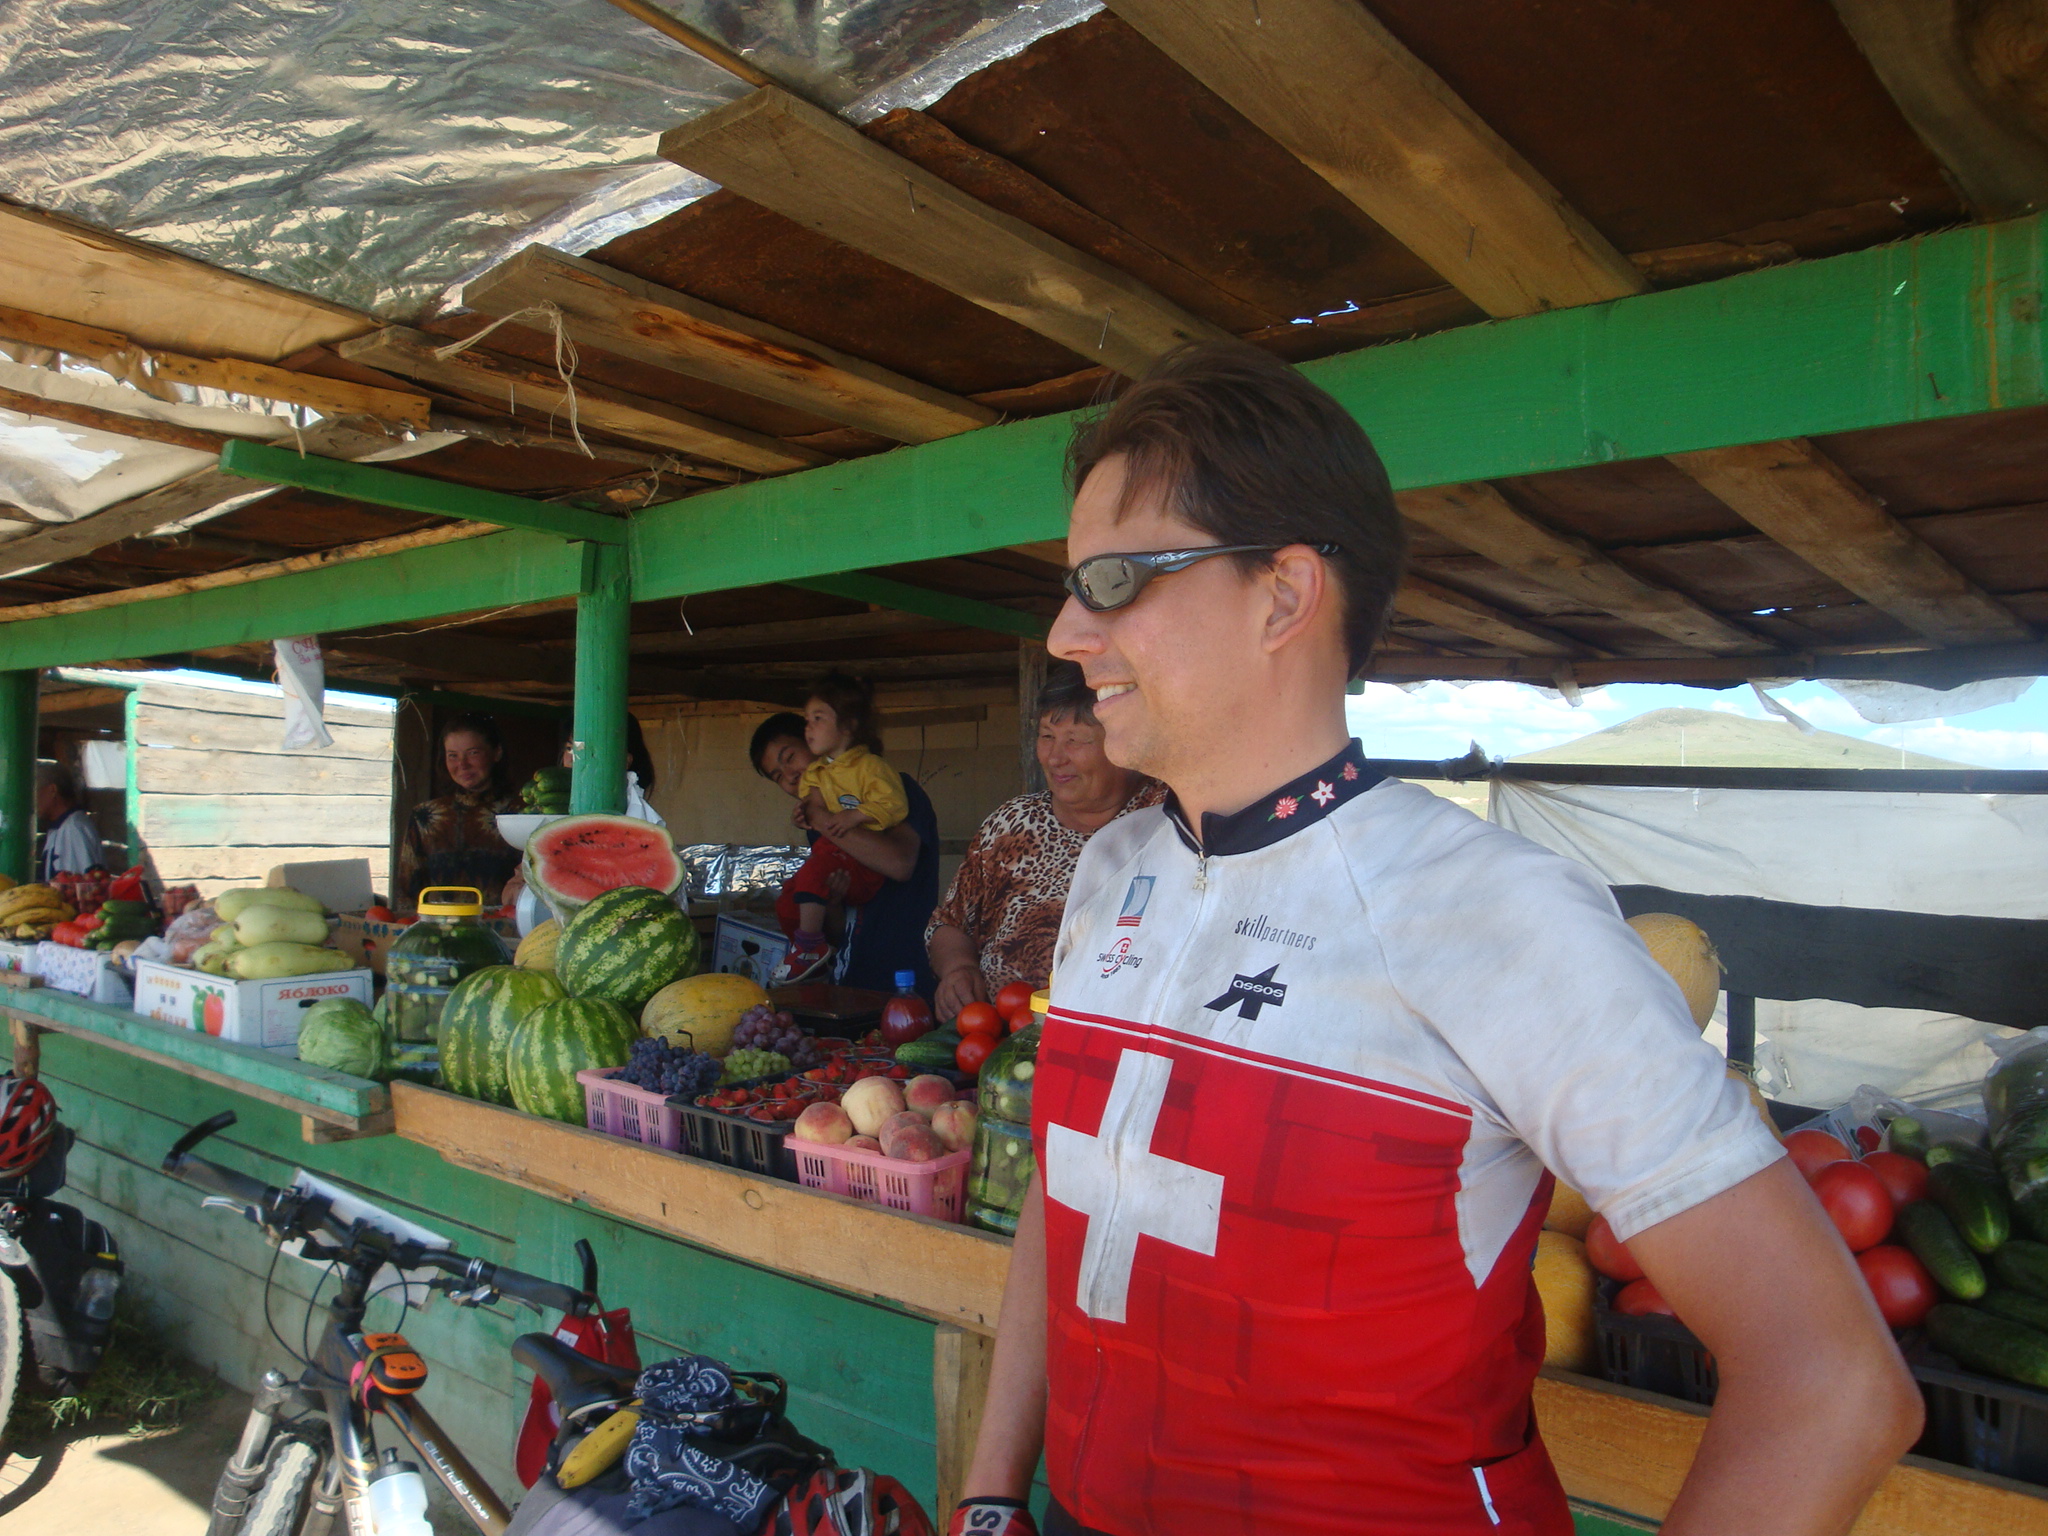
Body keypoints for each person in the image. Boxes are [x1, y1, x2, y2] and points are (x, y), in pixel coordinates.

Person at [954, 343, 1921, 1536]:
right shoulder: (1111, 873)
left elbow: (1830, 1383)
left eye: (1111, 581)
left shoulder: (1497, 913)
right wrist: (991, 1493)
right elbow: (1074, 1189)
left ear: (1282, 596)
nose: (1064, 632)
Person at [926, 661, 1162, 1019]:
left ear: (1123, 744)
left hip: (1110, 1031)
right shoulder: (1011, 823)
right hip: (997, 1034)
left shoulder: (1165, 823)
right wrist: (958, 969)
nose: (1055, 758)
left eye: (1076, 740)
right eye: (1047, 736)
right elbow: (951, 922)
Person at [749, 711, 939, 996]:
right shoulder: (817, 823)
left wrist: (820, 817)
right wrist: (832, 904)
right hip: (851, 978)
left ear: (815, 741)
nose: (789, 775)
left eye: (790, 757)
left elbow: (899, 864)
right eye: (778, 776)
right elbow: (840, 932)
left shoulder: (892, 789)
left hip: (906, 975)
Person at [777, 674, 910, 985]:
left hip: (863, 864)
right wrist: (802, 814)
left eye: (818, 718)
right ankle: (808, 952)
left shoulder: (871, 767)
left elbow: (894, 804)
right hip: (833, 858)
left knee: (812, 873)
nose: (808, 727)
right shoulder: (817, 771)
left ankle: (809, 948)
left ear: (848, 725)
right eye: (807, 720)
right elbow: (814, 807)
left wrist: (856, 816)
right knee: (787, 900)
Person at [396, 714, 521, 909]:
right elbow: (408, 891)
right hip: (438, 925)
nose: (462, 764)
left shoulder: (522, 815)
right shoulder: (426, 816)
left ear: (496, 753)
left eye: (473, 753)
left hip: (505, 925)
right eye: (452, 755)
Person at [35, 761, 103, 881]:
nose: (32, 800)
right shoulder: (59, 827)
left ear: (52, 790)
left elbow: (84, 883)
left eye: (34, 791)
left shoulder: (75, 828)